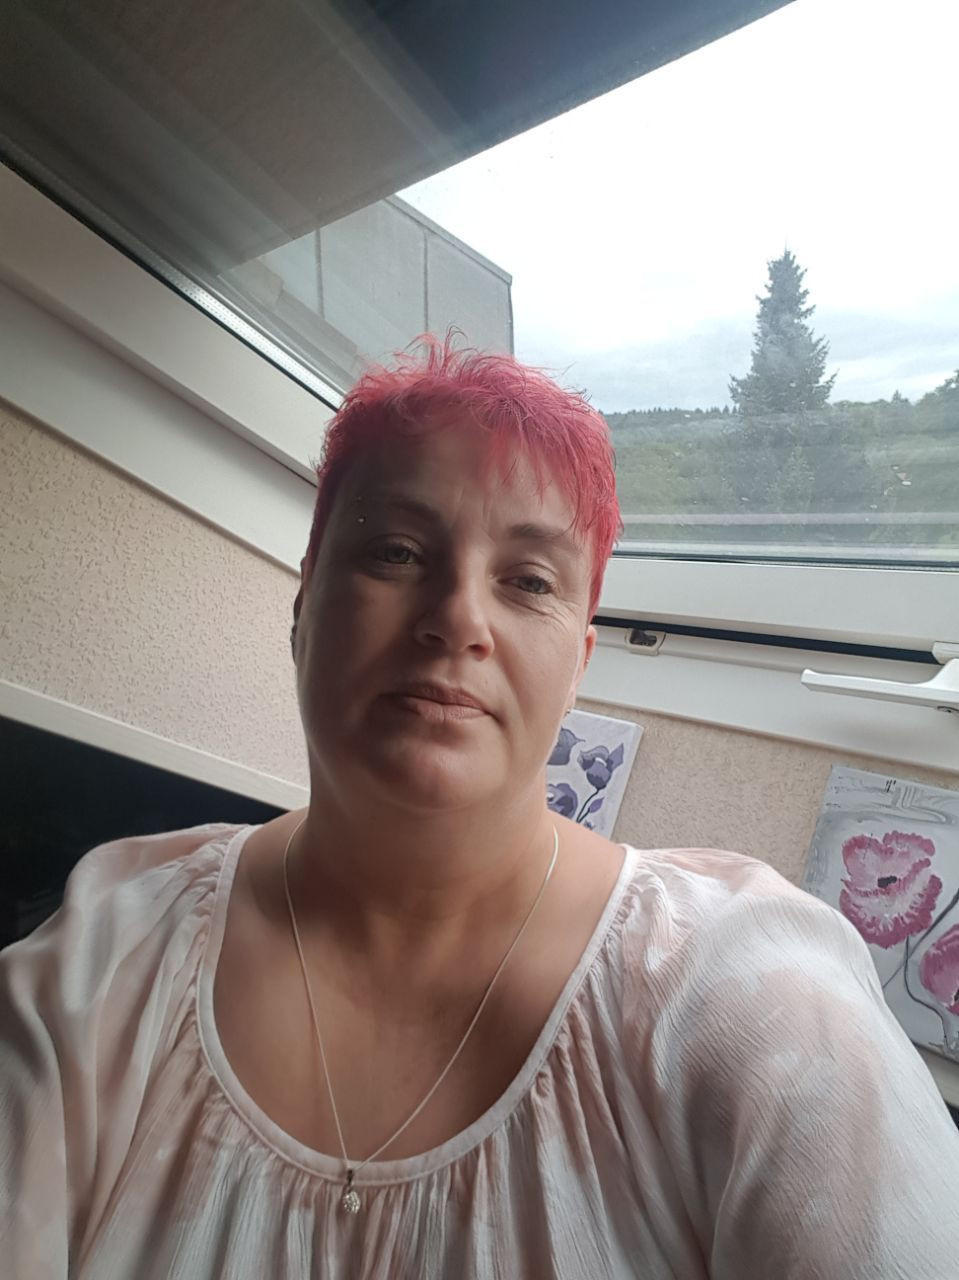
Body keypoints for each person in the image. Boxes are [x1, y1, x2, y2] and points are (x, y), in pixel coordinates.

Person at [2, 337, 958, 1279]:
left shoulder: (753, 1000)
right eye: (395, 552)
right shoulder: (102, 964)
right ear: (302, 611)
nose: (458, 617)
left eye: (529, 582)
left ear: (578, 665)